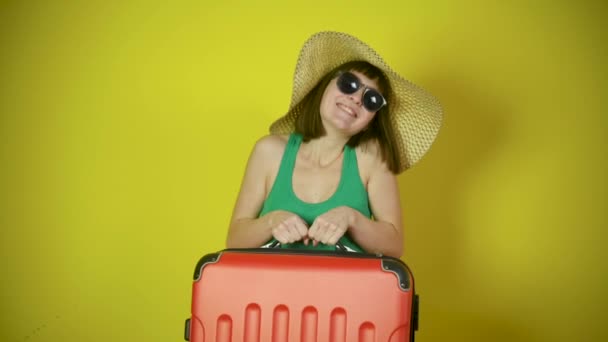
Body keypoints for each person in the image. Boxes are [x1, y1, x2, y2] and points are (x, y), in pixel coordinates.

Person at [225, 31, 442, 258]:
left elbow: (394, 247)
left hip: (348, 291)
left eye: (371, 100)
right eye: (349, 84)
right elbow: (235, 239)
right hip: (270, 290)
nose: (356, 98)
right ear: (323, 87)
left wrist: (352, 219)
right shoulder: (269, 151)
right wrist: (271, 222)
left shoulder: (372, 159)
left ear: (371, 121)